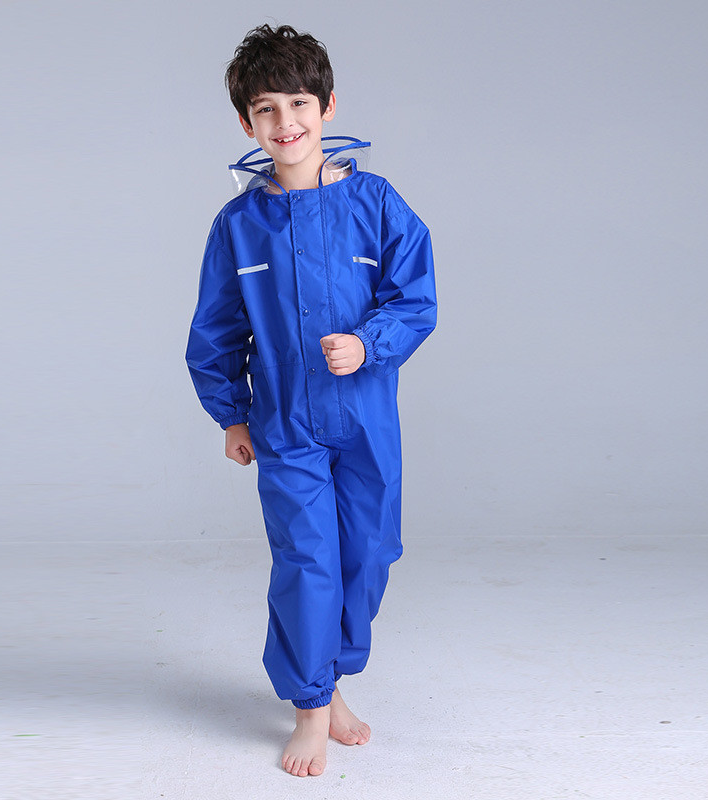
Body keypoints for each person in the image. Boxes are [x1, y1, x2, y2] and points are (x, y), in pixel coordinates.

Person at [186, 24, 437, 778]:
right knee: (307, 559)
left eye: (298, 103)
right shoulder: (240, 225)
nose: (285, 121)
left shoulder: (376, 202)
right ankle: (309, 709)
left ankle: (332, 683)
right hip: (285, 421)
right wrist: (231, 414)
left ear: (328, 106)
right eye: (265, 109)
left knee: (369, 552)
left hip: (364, 417)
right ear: (247, 124)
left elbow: (414, 297)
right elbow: (216, 327)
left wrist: (369, 343)